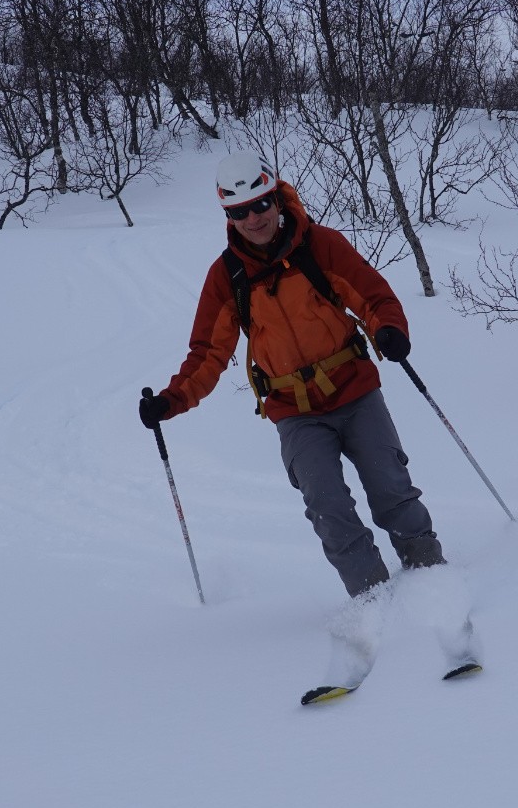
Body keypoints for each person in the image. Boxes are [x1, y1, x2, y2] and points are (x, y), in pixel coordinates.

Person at [138, 152, 446, 600]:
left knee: (391, 488)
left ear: (276, 199)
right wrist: (171, 401)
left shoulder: (320, 246)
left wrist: (390, 331)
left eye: (260, 204)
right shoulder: (228, 277)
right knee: (328, 508)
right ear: (228, 214)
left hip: (355, 390)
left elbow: (373, 296)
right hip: (296, 411)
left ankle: (431, 578)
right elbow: (208, 353)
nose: (253, 218)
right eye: (239, 211)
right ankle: (374, 601)